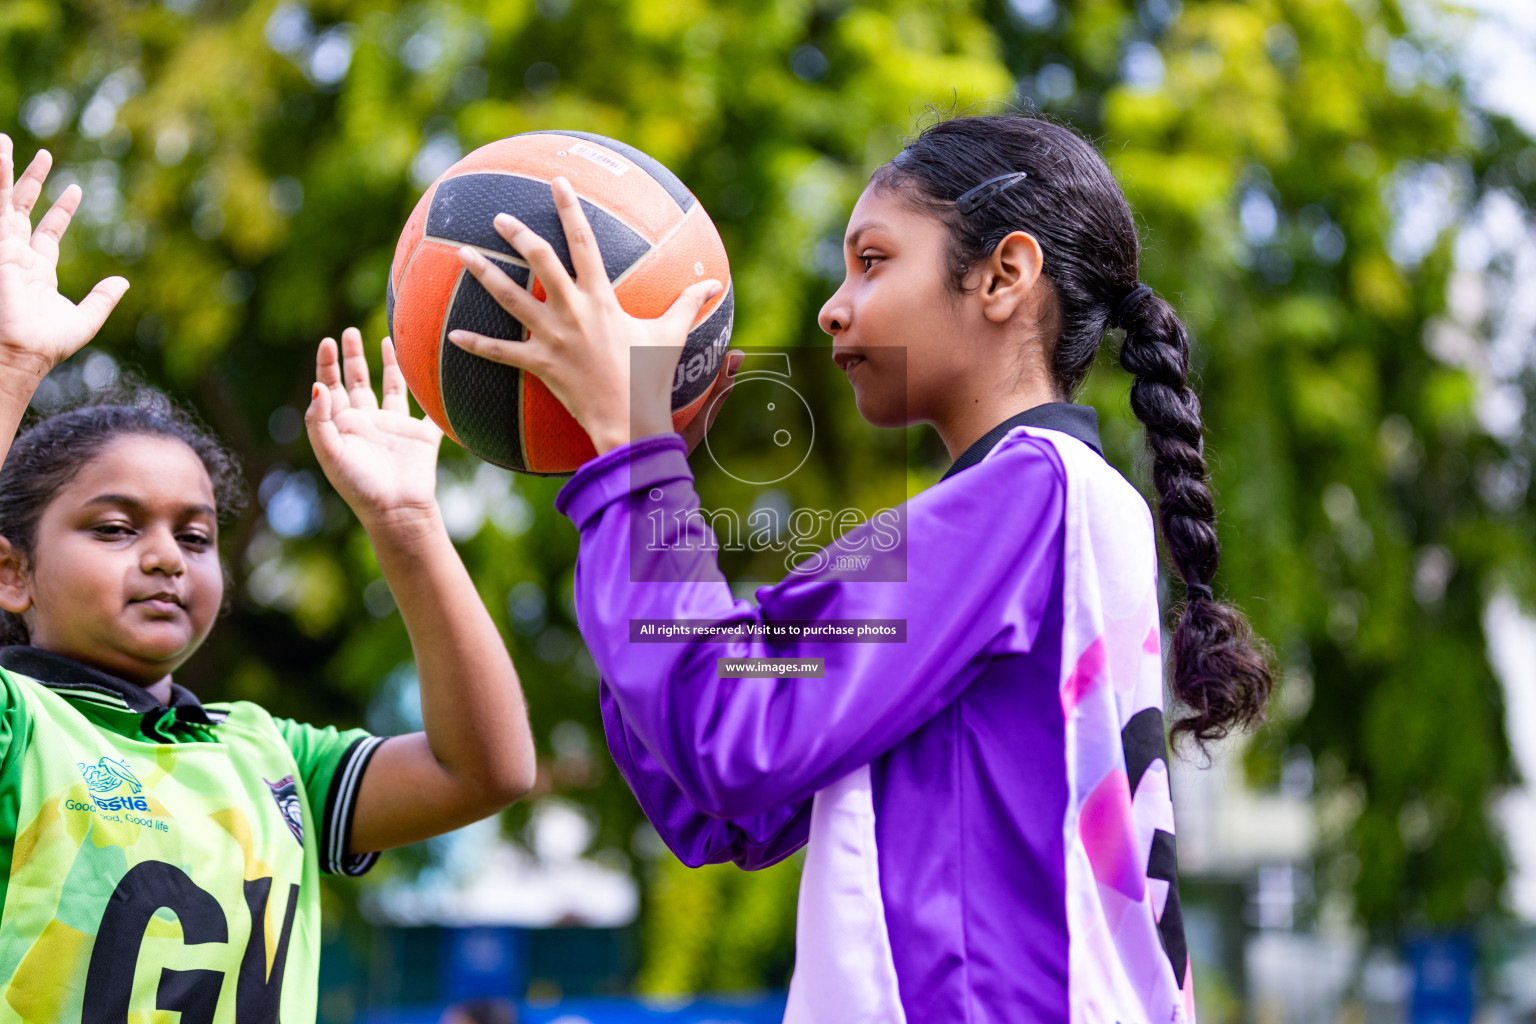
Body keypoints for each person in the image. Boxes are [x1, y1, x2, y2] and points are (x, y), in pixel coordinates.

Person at [448, 113, 1273, 1023]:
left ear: (1004, 275)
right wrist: (633, 473)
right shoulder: (1062, 505)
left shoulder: (1024, 499)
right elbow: (719, 805)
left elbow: (733, 729)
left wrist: (634, 463)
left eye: (873, 261)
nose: (832, 306)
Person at [0, 134, 536, 1020]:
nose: (167, 556)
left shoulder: (267, 754)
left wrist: (407, 524)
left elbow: (485, 769)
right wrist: (14, 366)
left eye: (197, 534)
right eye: (115, 527)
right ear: (12, 574)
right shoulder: (22, 730)